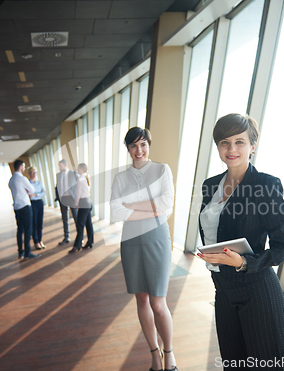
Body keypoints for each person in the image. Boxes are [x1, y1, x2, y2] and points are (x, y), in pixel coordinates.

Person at [197, 113, 284, 371]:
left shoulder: (265, 185)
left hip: (257, 289)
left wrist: (243, 262)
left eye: (239, 142)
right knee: (234, 365)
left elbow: (283, 248)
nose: (231, 149)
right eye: (224, 142)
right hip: (223, 288)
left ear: (253, 145)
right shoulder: (210, 185)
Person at [110, 127, 177, 371]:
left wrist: (131, 206)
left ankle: (169, 353)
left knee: (158, 303)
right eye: (133, 146)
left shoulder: (162, 170)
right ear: (128, 149)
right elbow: (116, 212)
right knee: (141, 301)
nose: (139, 151)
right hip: (131, 242)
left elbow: (166, 203)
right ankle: (154, 353)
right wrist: (152, 209)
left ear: (149, 145)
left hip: (157, 239)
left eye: (143, 145)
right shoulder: (120, 178)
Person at [8, 159, 41, 260]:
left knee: (20, 230)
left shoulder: (11, 180)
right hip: (25, 207)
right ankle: (27, 252)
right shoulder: (22, 179)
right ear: (21, 167)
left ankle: (20, 252)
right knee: (28, 230)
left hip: (17, 207)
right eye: (24, 166)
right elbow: (32, 190)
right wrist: (26, 190)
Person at [69, 163, 94, 253]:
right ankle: (90, 242)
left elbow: (78, 193)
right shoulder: (87, 177)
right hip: (88, 202)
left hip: (83, 203)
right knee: (88, 223)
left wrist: (76, 204)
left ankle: (77, 246)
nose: (77, 170)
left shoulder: (80, 179)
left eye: (78, 168)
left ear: (82, 169)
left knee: (80, 225)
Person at [55, 159, 78, 245]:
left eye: (60, 166)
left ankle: (79, 238)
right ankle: (66, 237)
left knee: (76, 218)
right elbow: (57, 186)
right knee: (65, 219)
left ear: (65, 165)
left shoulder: (73, 173)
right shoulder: (58, 175)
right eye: (59, 166)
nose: (59, 167)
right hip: (63, 199)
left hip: (72, 198)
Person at [28, 166, 46, 250]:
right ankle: (36, 242)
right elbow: (29, 195)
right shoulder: (28, 183)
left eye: (35, 172)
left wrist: (36, 194)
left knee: (40, 222)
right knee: (34, 223)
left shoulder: (39, 182)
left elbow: (44, 192)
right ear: (29, 174)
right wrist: (38, 193)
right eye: (32, 172)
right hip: (33, 203)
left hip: (39, 202)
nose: (34, 174)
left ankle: (40, 240)